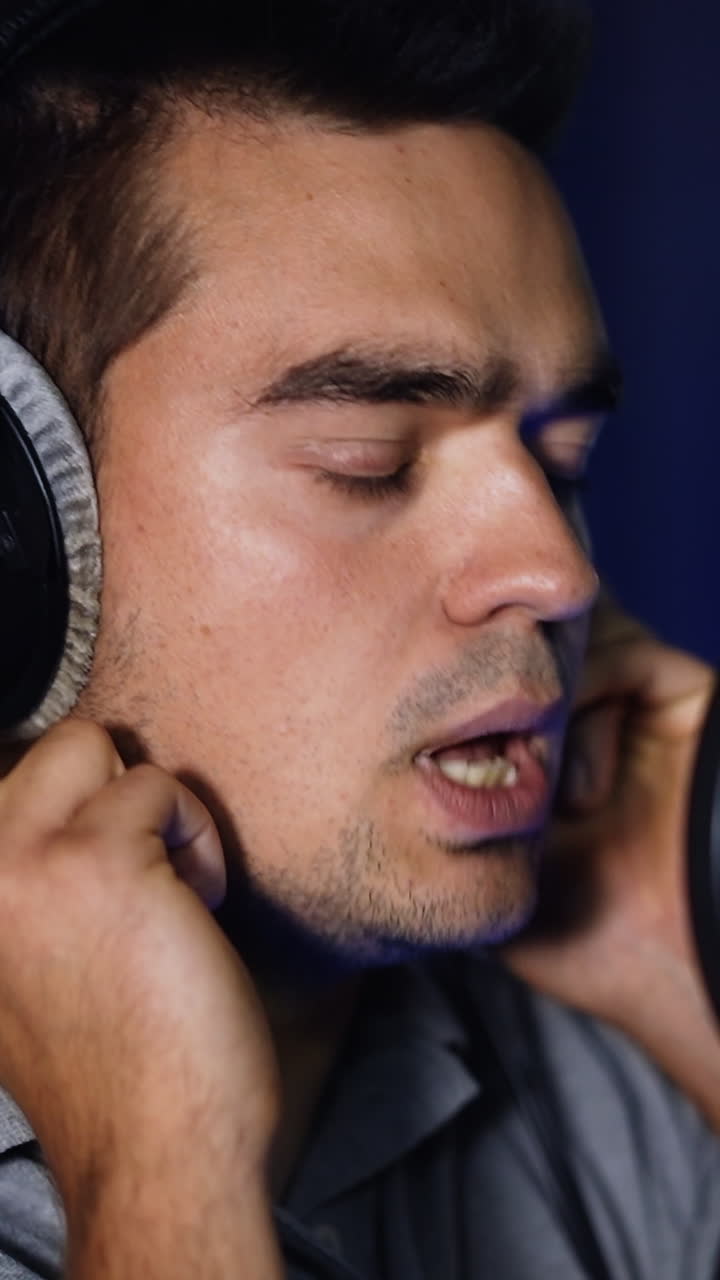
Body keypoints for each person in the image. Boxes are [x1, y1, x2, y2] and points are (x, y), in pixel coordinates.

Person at [0, 1, 718, 1277]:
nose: (559, 572)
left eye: (564, 460)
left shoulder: (605, 1053)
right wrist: (158, 1176)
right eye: (369, 462)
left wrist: (689, 994)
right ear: (18, 529)